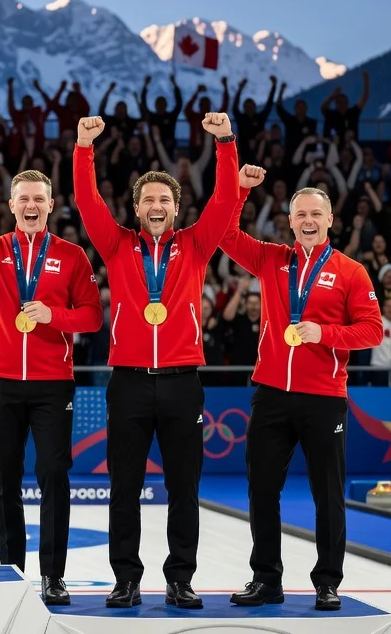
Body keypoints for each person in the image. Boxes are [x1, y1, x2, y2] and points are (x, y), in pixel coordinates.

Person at [71, 112, 239, 609]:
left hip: (183, 381)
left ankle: (180, 578)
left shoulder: (196, 244)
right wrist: (84, 147)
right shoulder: (117, 244)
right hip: (128, 383)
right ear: (137, 208)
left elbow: (226, 201)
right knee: (124, 486)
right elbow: (86, 201)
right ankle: (126, 579)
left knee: (184, 488)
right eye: (149, 200)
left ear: (177, 206)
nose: (157, 206)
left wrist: (226, 143)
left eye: (165, 199)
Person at [0, 170, 102, 605]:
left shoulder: (72, 255)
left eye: (39, 200)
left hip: (53, 384)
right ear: (11, 206)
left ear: (51, 205)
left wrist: (53, 316)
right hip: (1, 380)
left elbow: (92, 317)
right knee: (4, 480)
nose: (31, 206)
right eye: (23, 199)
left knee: (53, 477)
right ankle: (11, 571)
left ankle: (53, 576)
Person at [221, 170, 383, 612]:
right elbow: (225, 234)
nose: (308, 220)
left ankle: (328, 581)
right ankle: (266, 579)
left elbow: (373, 331)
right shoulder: (272, 259)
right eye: (300, 214)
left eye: (316, 213)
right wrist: (239, 191)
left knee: (327, 494)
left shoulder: (351, 271)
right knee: (261, 490)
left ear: (331, 219)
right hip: (271, 393)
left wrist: (324, 332)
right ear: (289, 222)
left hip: (324, 397)